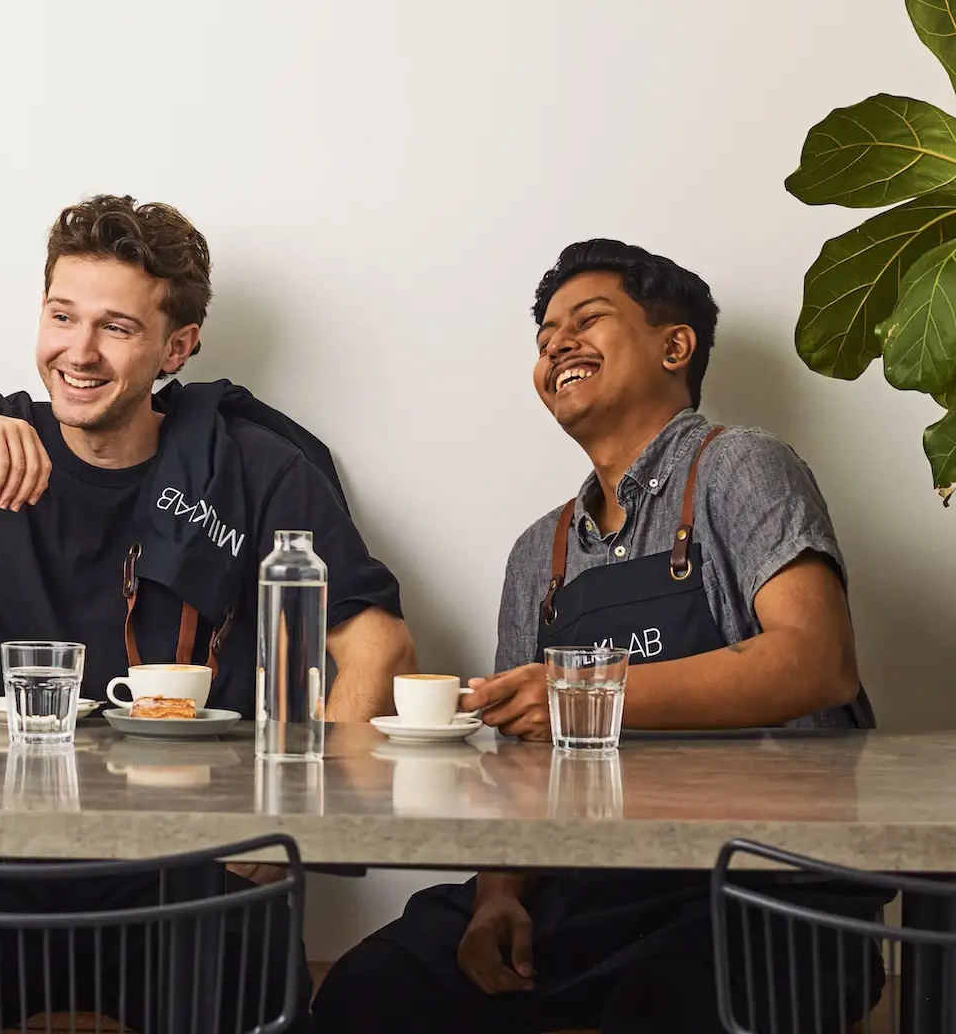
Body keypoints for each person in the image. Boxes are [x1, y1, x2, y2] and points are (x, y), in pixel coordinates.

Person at [0, 194, 416, 1032]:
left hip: (184, 877)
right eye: (62, 315)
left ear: (178, 346)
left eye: (117, 327)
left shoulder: (253, 468)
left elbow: (378, 644)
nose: (78, 351)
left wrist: (278, 833)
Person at [312, 239, 878, 1034]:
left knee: (664, 1009)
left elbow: (820, 662)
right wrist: (500, 892)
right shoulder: (539, 551)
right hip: (595, 885)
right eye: (545, 339)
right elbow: (519, 765)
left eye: (588, 320)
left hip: (760, 883)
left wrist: (584, 695)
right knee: (369, 990)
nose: (557, 345)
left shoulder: (741, 468)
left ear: (674, 345)